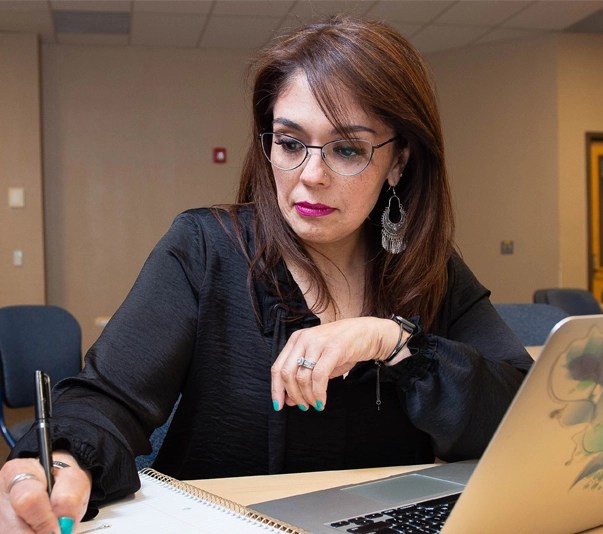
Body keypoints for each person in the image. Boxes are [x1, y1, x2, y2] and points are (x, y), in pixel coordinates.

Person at [1, 15, 531, 533]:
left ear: (399, 161)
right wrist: (62, 460)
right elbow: (106, 400)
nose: (311, 176)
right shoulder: (205, 248)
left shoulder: (429, 267)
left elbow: (521, 416)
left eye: (348, 149)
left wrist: (391, 339)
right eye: (291, 143)